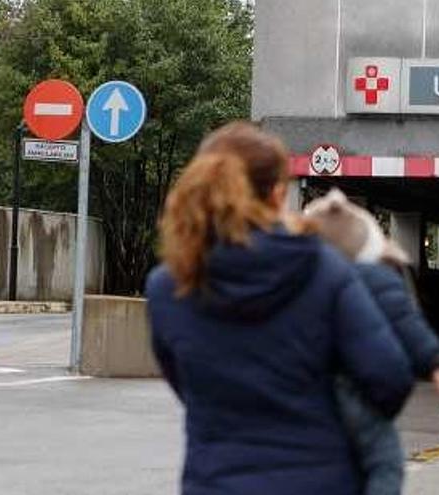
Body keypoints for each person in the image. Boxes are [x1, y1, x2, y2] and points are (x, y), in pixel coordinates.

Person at [145, 122, 414, 495]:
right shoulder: (323, 268)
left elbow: (185, 384)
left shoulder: (169, 285)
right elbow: (390, 378)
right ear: (277, 193)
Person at [304, 188, 439, 495]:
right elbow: (408, 324)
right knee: (385, 460)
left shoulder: (300, 279)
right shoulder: (380, 279)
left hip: (308, 391)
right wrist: (438, 364)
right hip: (358, 391)